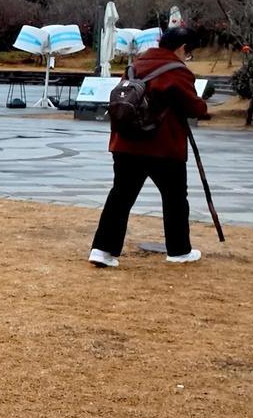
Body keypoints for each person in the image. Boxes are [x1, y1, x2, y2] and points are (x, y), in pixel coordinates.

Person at [90, 26, 211, 268]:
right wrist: (203, 103)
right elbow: (195, 108)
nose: (188, 58)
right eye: (189, 53)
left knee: (121, 196)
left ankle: (102, 250)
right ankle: (178, 250)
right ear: (182, 48)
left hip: (125, 142)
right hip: (162, 146)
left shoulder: (137, 65)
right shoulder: (176, 71)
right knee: (175, 197)